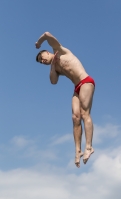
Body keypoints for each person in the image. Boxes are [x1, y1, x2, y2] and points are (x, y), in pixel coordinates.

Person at [35, 32, 95, 168]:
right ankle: (77, 150)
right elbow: (53, 81)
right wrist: (52, 65)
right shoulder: (54, 67)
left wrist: (39, 43)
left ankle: (89, 147)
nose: (42, 61)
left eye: (42, 57)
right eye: (41, 62)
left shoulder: (60, 50)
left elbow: (47, 34)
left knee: (85, 113)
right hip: (77, 88)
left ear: (47, 52)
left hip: (85, 81)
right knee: (75, 117)